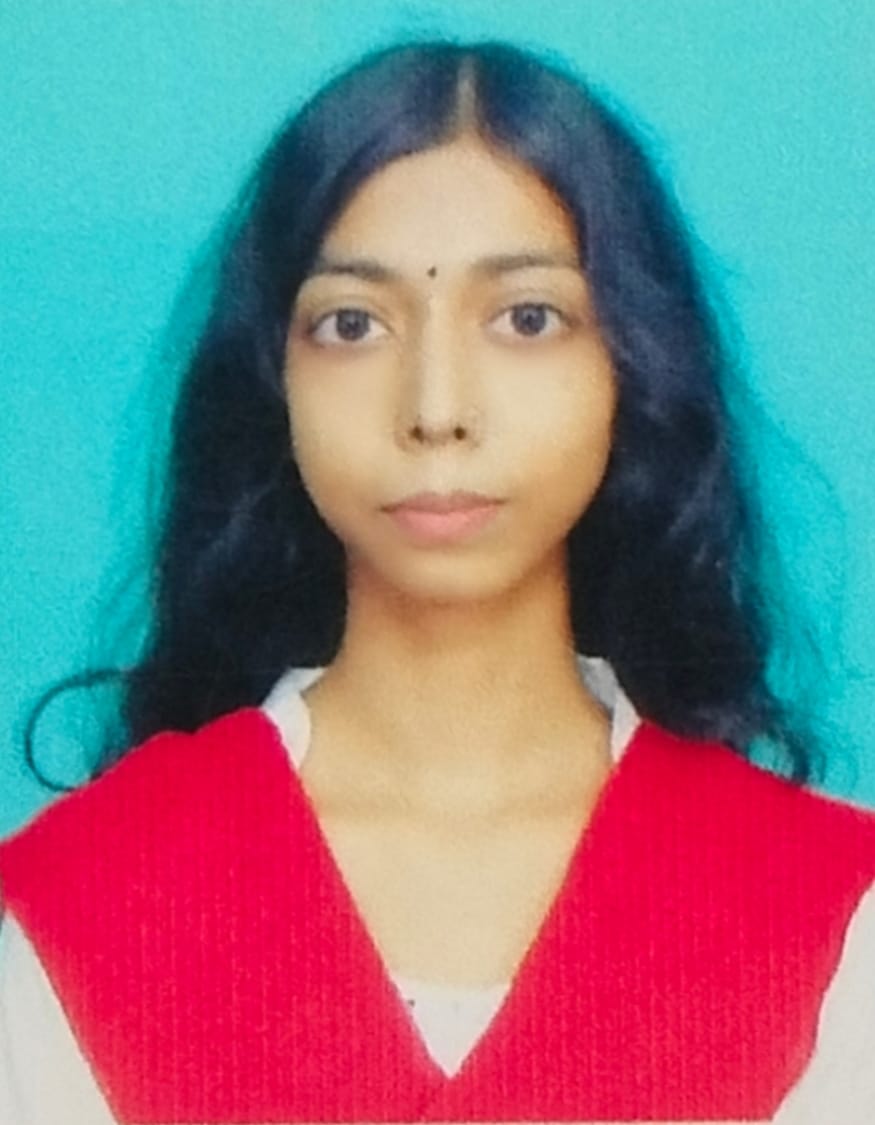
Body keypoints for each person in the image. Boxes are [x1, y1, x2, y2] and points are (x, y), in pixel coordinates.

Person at [1, 39, 873, 1124]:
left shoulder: (825, 911)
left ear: (633, 364)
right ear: (272, 378)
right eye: (352, 324)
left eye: (526, 318)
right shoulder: (85, 900)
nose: (435, 409)